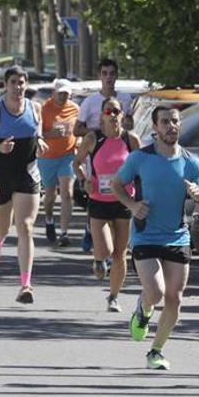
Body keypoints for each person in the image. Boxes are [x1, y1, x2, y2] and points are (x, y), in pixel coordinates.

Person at [113, 106, 199, 370]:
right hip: (145, 235)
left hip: (178, 236)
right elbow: (117, 185)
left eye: (175, 121)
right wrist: (132, 206)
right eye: (165, 122)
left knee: (174, 298)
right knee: (155, 292)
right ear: (155, 127)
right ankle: (143, 310)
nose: (171, 126)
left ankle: (156, 351)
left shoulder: (191, 162)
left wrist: (198, 197)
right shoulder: (140, 158)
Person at [0, 66, 48, 304]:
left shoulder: (35, 108)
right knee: (3, 227)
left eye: (22, 82)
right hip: (1, 174)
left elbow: (37, 131)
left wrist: (40, 141)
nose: (18, 87)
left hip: (28, 173)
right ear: (5, 85)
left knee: (25, 226)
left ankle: (26, 285)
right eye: (14, 82)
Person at [73, 97, 140, 311]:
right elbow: (77, 163)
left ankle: (113, 297)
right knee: (105, 250)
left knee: (120, 253)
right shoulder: (93, 139)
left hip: (124, 201)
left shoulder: (131, 140)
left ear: (123, 115)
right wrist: (84, 181)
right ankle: (98, 259)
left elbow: (141, 168)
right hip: (99, 201)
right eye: (108, 111)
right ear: (102, 115)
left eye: (116, 111)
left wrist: (140, 196)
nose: (113, 115)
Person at [74, 58, 134, 252]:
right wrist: (99, 131)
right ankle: (92, 230)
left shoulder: (126, 99)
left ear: (116, 76)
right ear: (100, 76)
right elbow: (77, 129)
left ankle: (114, 252)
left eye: (112, 74)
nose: (108, 77)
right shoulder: (90, 101)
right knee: (99, 193)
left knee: (120, 247)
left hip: (120, 152)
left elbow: (132, 124)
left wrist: (120, 128)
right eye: (104, 73)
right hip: (98, 153)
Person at [38, 79, 80, 246]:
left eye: (66, 94)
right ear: (54, 93)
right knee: (50, 195)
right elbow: (38, 134)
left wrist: (79, 141)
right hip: (47, 157)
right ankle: (49, 219)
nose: (63, 96)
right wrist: (50, 134)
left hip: (67, 156)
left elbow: (79, 129)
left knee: (67, 193)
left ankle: (64, 232)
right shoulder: (44, 108)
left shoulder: (75, 108)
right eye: (60, 93)